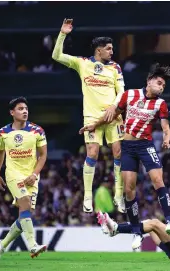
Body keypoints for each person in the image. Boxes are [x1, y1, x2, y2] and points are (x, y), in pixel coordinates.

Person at [80, 64, 170, 250]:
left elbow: (166, 127)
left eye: (164, 85)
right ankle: (136, 232)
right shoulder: (129, 95)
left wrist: (167, 139)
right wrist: (94, 125)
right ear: (149, 81)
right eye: (159, 83)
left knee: (158, 180)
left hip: (146, 145)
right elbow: (113, 115)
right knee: (129, 189)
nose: (161, 87)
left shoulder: (160, 104)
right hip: (128, 147)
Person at [52, 18, 126, 213]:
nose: (112, 52)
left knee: (118, 152)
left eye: (112, 48)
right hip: (92, 117)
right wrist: (62, 34)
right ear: (98, 50)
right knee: (92, 153)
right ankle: (87, 196)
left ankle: (119, 196)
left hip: (113, 116)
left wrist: (114, 107)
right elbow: (57, 55)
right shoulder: (82, 64)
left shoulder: (115, 67)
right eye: (109, 49)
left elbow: (122, 91)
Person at [0, 97, 48, 260]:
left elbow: (43, 155)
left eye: (26, 109)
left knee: (25, 213)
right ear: (12, 112)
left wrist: (34, 174)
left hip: (31, 175)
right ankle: (32, 245)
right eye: (20, 109)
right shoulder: (3, 132)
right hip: (13, 174)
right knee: (24, 202)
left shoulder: (37, 130)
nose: (25, 111)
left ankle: (2, 245)